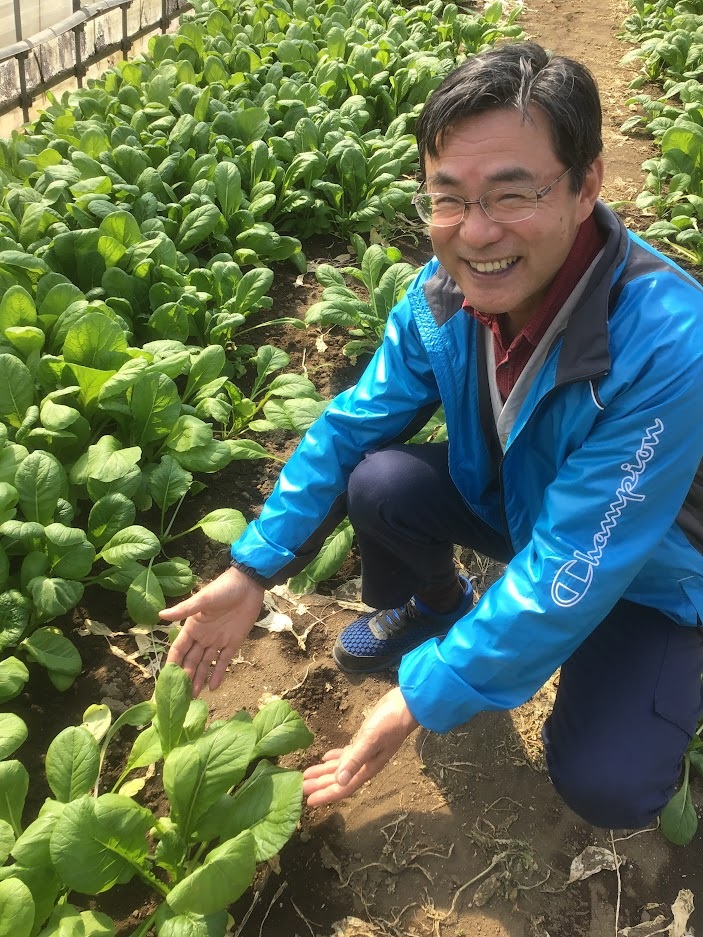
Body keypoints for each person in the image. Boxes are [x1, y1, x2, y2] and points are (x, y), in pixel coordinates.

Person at [161, 42, 703, 829]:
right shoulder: (440, 300)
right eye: (446, 198)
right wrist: (252, 566)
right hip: (525, 508)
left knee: (607, 782)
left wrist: (419, 695)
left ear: (585, 184)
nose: (474, 233)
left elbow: (577, 559)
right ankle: (439, 604)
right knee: (380, 480)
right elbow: (351, 425)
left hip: (645, 568)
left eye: (511, 195)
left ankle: (638, 679)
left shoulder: (668, 340)